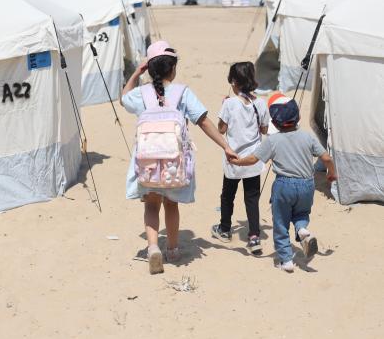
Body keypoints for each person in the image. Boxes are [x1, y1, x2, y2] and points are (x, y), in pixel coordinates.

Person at [122, 40, 238, 275]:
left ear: (150, 68)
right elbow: (204, 121)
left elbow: (124, 97)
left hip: (148, 163)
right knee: (171, 205)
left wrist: (136, 73)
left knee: (151, 205)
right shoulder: (182, 92)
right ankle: (173, 249)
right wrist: (225, 145)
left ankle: (153, 247)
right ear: (172, 69)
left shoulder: (141, 93)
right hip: (175, 164)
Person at [231, 94, 337, 272]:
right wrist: (332, 173)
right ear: (299, 118)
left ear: (275, 123)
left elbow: (253, 159)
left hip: (284, 185)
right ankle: (302, 230)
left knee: (280, 223)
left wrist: (236, 161)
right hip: (307, 184)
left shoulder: (272, 141)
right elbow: (326, 157)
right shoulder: (308, 137)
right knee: (301, 213)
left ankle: (286, 260)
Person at [211, 62, 269, 255]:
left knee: (228, 195)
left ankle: (225, 229)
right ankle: (254, 236)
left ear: (234, 81)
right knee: (252, 198)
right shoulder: (260, 103)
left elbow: (221, 129)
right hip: (253, 159)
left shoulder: (229, 104)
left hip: (233, 159)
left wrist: (223, 108)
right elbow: (264, 129)